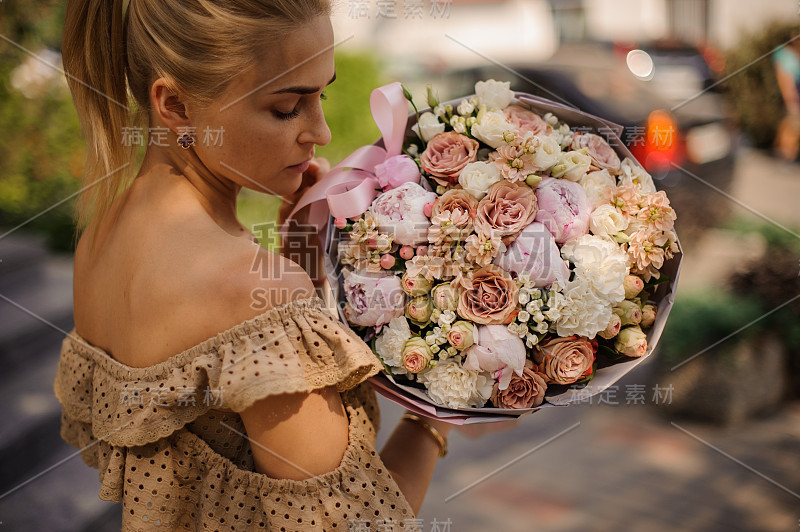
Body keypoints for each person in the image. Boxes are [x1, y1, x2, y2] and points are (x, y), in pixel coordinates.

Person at [54, 1, 455, 529]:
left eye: (322, 95)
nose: (321, 131)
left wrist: (302, 254)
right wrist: (442, 411)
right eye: (287, 108)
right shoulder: (247, 293)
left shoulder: (98, 241)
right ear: (175, 104)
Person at [773, 31, 800, 162]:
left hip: (793, 96)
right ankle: (787, 155)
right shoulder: (785, 56)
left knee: (788, 126)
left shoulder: (792, 55)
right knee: (791, 127)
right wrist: (790, 100)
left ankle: (786, 154)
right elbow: (785, 80)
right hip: (791, 97)